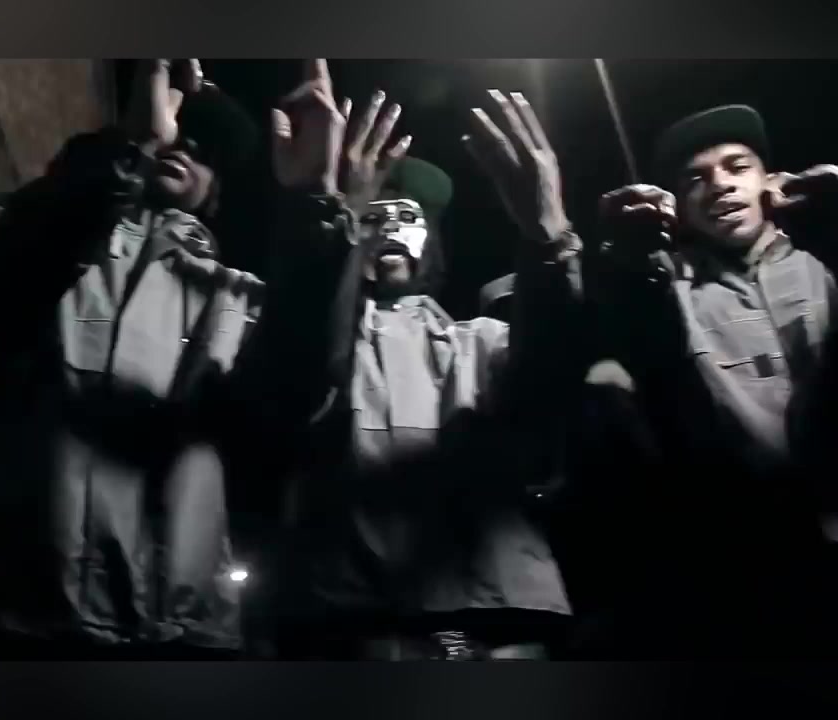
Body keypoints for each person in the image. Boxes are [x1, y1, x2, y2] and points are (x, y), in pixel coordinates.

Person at [0, 58, 361, 660]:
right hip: (2, 610)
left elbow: (294, 398)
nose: (186, 146)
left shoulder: (237, 300)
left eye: (205, 148)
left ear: (217, 188)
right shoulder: (55, 229)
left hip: (170, 633)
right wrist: (127, 147)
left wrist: (314, 203)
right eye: (180, 130)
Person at [263, 85, 585, 660]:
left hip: (492, 608)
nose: (390, 227)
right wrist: (328, 220)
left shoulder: (480, 341)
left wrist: (548, 243)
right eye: (374, 216)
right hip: (351, 612)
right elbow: (298, 365)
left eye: (407, 216)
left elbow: (548, 383)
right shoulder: (315, 335)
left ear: (430, 241)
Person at [595, 104, 838, 657]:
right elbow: (620, 326)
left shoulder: (824, 261)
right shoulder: (667, 289)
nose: (720, 185)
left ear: (772, 181)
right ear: (676, 206)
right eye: (695, 179)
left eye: (737, 166)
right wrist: (623, 254)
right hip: (754, 567)